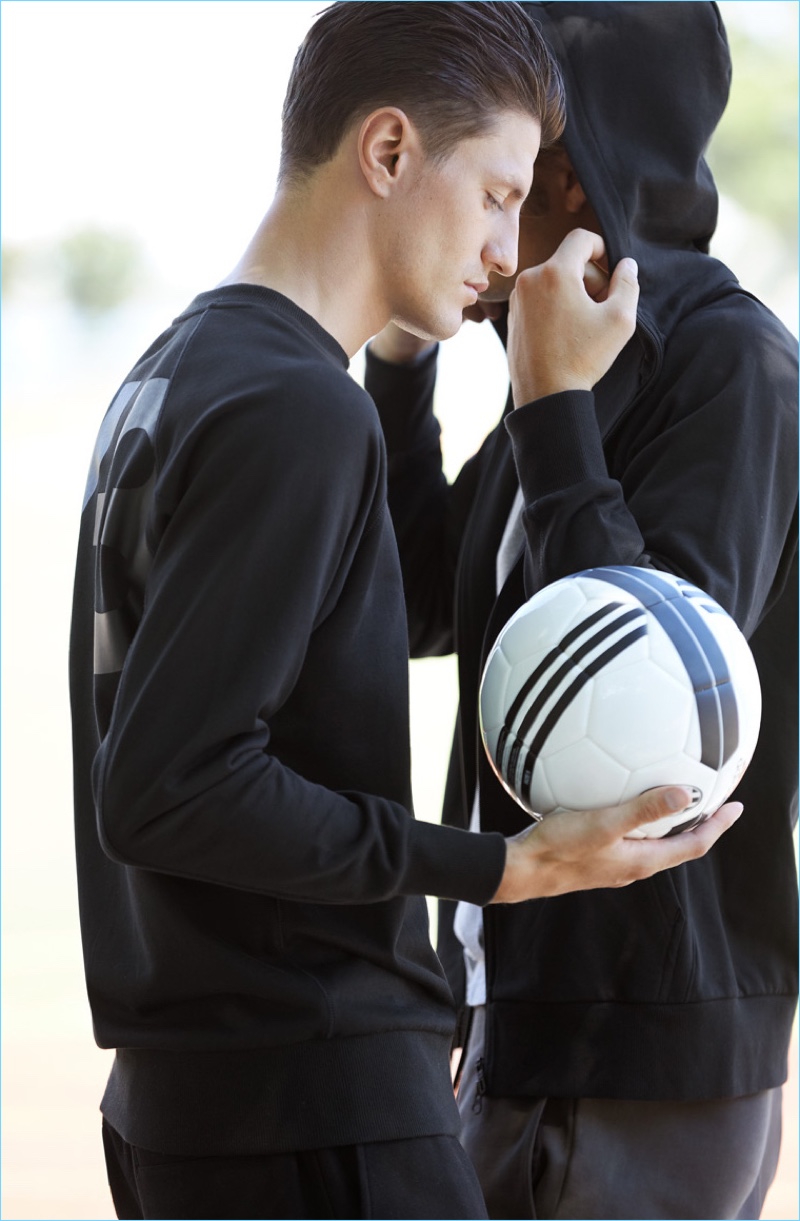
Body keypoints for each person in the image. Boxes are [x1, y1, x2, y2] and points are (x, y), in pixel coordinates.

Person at [70, 3, 744, 1219]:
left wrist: (419, 361)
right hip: (311, 1096)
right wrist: (496, 867)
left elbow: (375, 604)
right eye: (496, 193)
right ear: (387, 153)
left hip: (204, 1092)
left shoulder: (174, 373)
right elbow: (174, 786)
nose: (504, 248)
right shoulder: (291, 410)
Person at [366, 3, 798, 1219]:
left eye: (502, 160)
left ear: (564, 163)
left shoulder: (726, 368)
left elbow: (649, 706)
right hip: (517, 1018)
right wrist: (400, 362)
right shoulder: (557, 367)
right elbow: (412, 599)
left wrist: (553, 405)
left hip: (640, 1051)